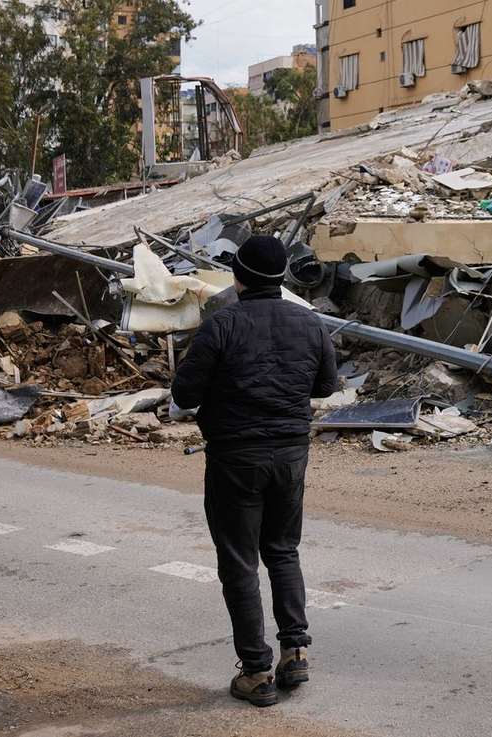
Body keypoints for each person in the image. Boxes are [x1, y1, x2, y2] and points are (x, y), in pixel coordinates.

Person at [171, 233, 338, 708]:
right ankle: (295, 652)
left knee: (240, 563)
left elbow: (185, 394)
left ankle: (256, 672)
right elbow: (326, 386)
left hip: (236, 458)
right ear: (282, 277)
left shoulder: (220, 325)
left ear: (238, 277)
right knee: (283, 550)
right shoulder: (309, 322)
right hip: (291, 454)